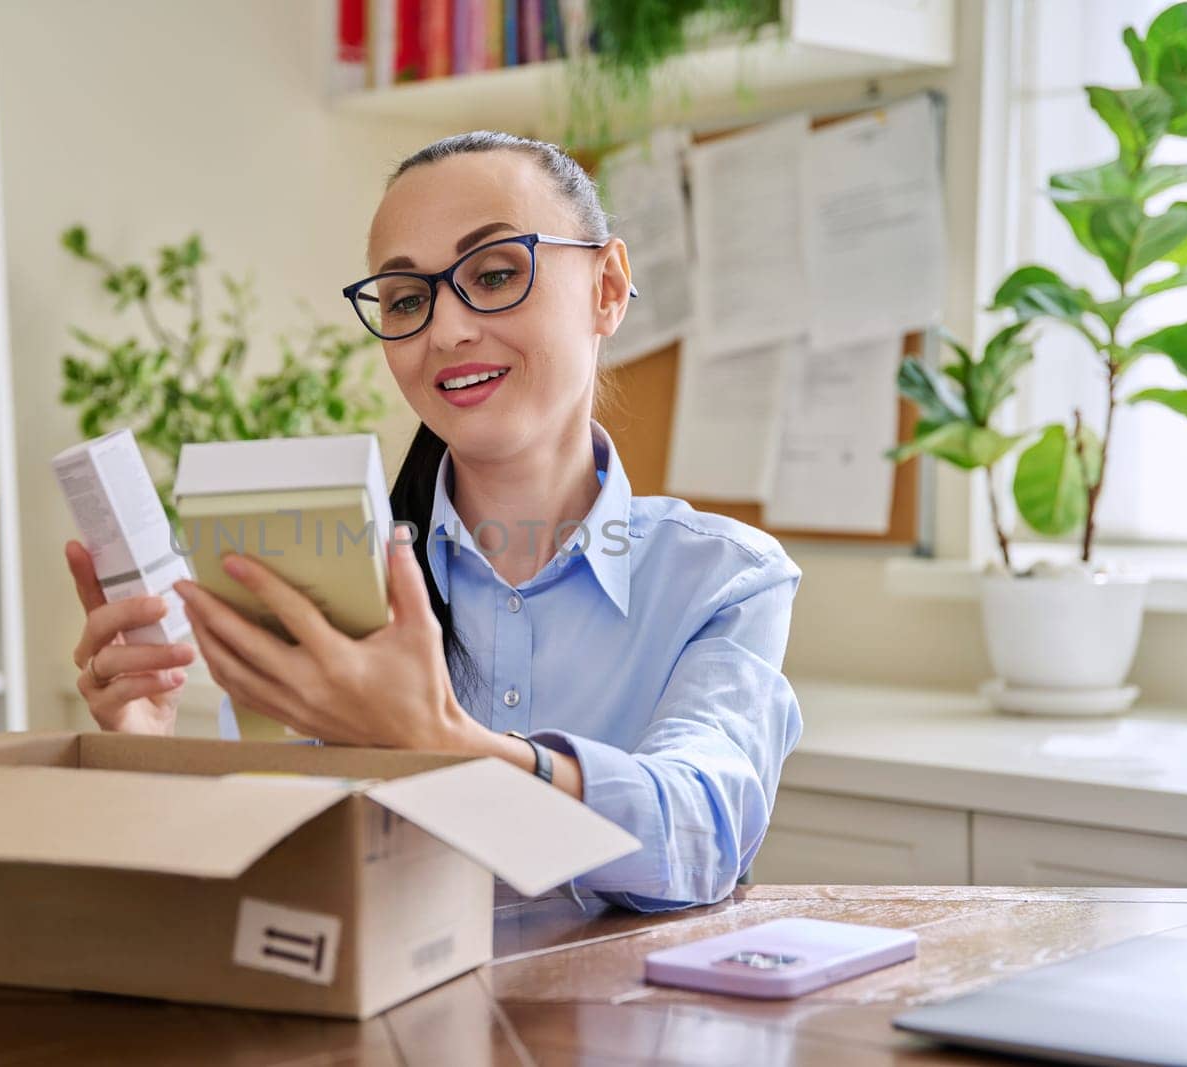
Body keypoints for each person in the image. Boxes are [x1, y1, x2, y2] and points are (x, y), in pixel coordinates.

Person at [64, 130, 802, 912]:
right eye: (408, 299)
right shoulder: (326, 576)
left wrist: (442, 742)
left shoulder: (721, 579)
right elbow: (280, 884)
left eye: (493, 274)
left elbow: (700, 834)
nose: (446, 330)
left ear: (608, 288)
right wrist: (145, 746)